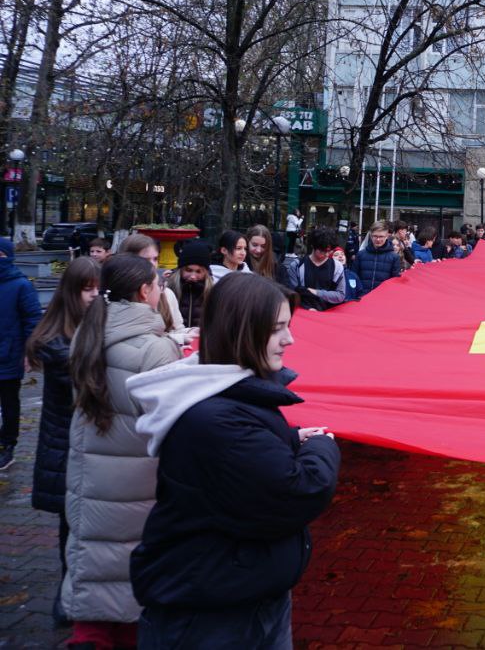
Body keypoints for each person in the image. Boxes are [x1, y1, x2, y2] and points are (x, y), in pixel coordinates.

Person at [128, 272, 341, 648]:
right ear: (242, 330)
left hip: (235, 594)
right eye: (277, 329)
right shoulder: (216, 416)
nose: (289, 339)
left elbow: (237, 462)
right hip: (215, 614)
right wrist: (322, 447)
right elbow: (298, 490)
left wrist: (288, 439)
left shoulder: (220, 401)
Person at [63, 254, 182, 648]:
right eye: (159, 284)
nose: (163, 290)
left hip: (90, 477)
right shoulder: (155, 349)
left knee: (93, 567)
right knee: (132, 581)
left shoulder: (88, 332)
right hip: (138, 483)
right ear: (145, 291)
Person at [27, 256, 99, 625]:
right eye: (87, 289)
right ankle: (67, 594)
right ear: (71, 292)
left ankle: (76, 593)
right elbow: (85, 385)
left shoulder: (88, 329)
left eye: (97, 288)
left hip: (83, 448)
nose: (94, 295)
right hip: (66, 449)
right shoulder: (57, 343)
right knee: (71, 526)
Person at [0, 237, 42, 471]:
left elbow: (32, 320)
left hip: (9, 354)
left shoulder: (21, 285)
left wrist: (30, 351)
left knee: (9, 403)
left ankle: (8, 445)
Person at [117, 234, 196, 349]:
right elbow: (135, 341)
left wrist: (190, 331)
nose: (152, 265)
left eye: (155, 259)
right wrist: (178, 340)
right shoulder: (119, 296)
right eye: (145, 260)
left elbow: (176, 329)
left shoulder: (166, 293)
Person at [282, 227, 345, 311]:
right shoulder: (297, 265)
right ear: (313, 246)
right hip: (302, 314)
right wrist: (307, 308)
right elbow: (291, 294)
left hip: (328, 315)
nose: (326, 254)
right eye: (322, 251)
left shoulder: (337, 267)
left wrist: (315, 292)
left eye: (329, 251)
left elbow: (340, 295)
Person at [167, 240, 213, 331]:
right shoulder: (170, 287)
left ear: (205, 272)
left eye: (198, 271)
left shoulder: (212, 291)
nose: (192, 276)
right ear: (181, 269)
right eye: (188, 270)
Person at [352, 220, 403, 294]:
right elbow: (354, 277)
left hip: (382, 298)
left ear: (387, 236)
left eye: (381, 236)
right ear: (371, 236)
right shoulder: (361, 255)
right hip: (361, 297)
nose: (378, 239)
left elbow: (395, 281)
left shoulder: (394, 257)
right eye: (375, 236)